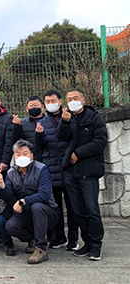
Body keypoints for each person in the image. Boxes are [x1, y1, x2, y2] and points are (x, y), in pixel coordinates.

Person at [57, 89, 108, 261]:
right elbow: (62, 137)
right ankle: (86, 242)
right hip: (71, 171)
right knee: (78, 210)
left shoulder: (93, 117)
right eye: (69, 99)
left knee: (91, 209)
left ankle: (96, 244)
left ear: (83, 100)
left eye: (75, 98)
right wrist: (64, 123)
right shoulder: (67, 117)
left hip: (88, 170)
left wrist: (79, 152)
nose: (72, 101)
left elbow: (100, 141)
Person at [0, 140, 60, 264]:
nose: (21, 156)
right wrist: (1, 184)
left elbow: (44, 194)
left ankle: (41, 249)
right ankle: (33, 239)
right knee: (10, 226)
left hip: (48, 212)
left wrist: (23, 201)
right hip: (26, 214)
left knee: (37, 207)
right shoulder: (11, 173)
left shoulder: (41, 169)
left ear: (31, 155)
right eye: (18, 154)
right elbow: (8, 196)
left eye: (25, 153)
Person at [36, 89, 79, 251]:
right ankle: (58, 237)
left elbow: (72, 139)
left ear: (60, 102)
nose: (50, 104)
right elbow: (40, 148)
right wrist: (39, 136)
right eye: (47, 101)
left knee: (73, 206)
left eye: (53, 101)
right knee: (56, 207)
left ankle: (74, 239)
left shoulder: (69, 117)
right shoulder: (43, 122)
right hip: (51, 170)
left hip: (68, 169)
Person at [13, 96, 44, 160]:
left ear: (42, 107)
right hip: (28, 159)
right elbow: (17, 140)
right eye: (31, 106)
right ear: (27, 108)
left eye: (36, 105)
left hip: (46, 157)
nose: (34, 107)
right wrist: (17, 126)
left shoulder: (48, 122)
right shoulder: (22, 123)